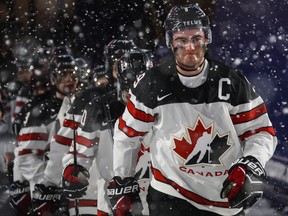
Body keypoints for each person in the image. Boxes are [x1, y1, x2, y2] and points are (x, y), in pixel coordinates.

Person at [107, 3, 277, 216]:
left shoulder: (232, 81)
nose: (190, 46)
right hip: (169, 195)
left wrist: (252, 162)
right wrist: (123, 178)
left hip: (224, 199)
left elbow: (261, 132)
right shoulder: (151, 83)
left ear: (206, 38)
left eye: (196, 38)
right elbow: (127, 133)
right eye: (181, 40)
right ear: (170, 42)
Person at [61, 48, 153, 216]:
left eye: (139, 91)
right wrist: (74, 169)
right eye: (128, 90)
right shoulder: (100, 107)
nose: (133, 97)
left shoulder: (164, 104)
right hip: (113, 200)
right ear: (119, 84)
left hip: (158, 198)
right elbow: (80, 152)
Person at [11, 54, 79, 215]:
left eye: (72, 73)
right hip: (52, 195)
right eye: (63, 74)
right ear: (53, 79)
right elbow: (26, 156)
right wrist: (49, 185)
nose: (69, 78)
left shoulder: (87, 104)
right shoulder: (41, 110)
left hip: (82, 193)